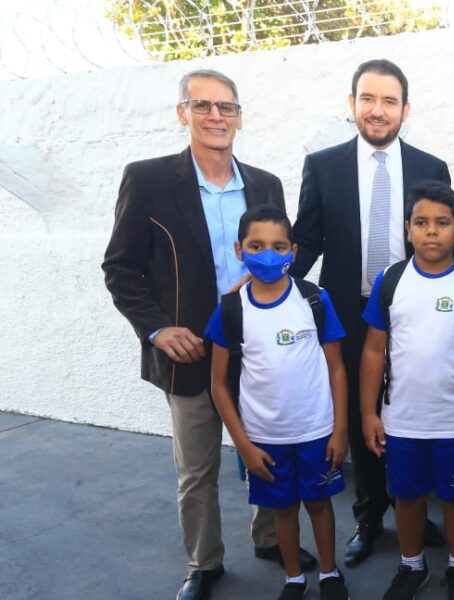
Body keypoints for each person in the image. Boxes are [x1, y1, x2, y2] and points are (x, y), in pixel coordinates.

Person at [101, 69, 314, 600]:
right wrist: (154, 329)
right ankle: (204, 562)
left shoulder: (265, 184)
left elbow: (281, 253)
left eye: (226, 107)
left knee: (270, 449)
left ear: (240, 117)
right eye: (203, 106)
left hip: (258, 346)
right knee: (197, 468)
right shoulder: (148, 179)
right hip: (189, 350)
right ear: (183, 114)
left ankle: (271, 536)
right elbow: (120, 267)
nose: (216, 117)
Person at [292, 58, 451, 566]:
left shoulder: (431, 168)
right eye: (368, 99)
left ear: (406, 108)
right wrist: (270, 287)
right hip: (350, 311)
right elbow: (307, 239)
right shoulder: (324, 165)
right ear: (352, 104)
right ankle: (368, 514)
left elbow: (441, 241)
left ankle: (413, 507)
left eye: (388, 101)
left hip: (415, 314)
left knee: (409, 413)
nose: (377, 111)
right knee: (361, 416)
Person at [205, 207, 351, 600]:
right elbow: (219, 384)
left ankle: (328, 573)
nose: (268, 254)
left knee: (320, 505)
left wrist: (340, 430)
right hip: (264, 437)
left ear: (293, 250)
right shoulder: (232, 309)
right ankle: (294, 579)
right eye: (257, 246)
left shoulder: (314, 300)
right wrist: (245, 446)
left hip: (316, 431)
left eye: (278, 246)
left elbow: (337, 369)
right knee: (282, 510)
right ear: (240, 250)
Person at [359, 182, 454, 600]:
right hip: (403, 420)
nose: (432, 231)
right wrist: (369, 414)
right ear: (407, 229)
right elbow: (374, 350)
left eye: (442, 223)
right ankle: (412, 565)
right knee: (408, 497)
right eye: (421, 222)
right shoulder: (390, 281)